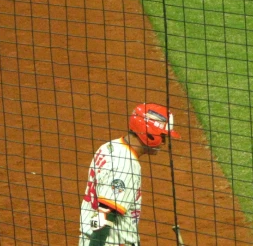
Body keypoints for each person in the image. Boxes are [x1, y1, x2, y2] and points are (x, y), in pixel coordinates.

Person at [78, 103, 182, 246]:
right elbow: (105, 214)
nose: (164, 142)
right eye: (162, 136)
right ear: (148, 132)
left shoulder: (110, 146)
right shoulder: (125, 164)